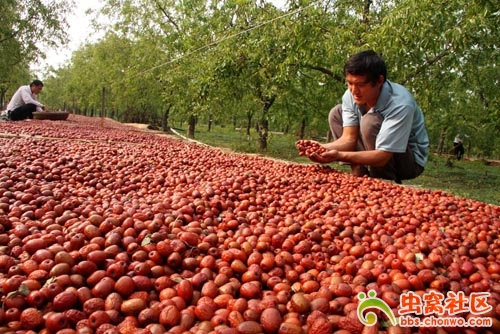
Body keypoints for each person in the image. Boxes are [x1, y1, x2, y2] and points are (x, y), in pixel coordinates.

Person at [307, 50, 429, 184]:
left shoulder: (400, 104)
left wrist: (339, 155)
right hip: (374, 150)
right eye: (350, 83)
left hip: (407, 161)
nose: (354, 90)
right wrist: (321, 148)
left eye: (360, 85)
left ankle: (383, 181)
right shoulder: (351, 95)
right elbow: (349, 139)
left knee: (370, 121)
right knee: (336, 113)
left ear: (379, 81)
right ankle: (359, 173)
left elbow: (383, 156)